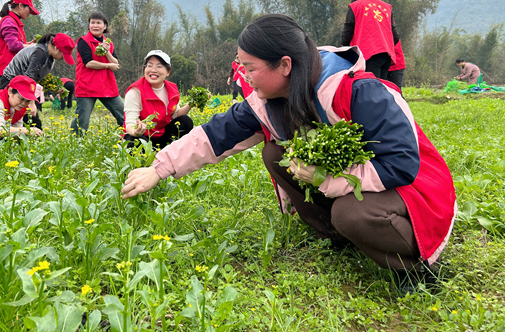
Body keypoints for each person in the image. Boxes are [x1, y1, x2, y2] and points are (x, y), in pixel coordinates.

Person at [122, 14, 456, 292]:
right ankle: (335, 234)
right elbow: (215, 135)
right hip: (354, 183)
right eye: (241, 67)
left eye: (250, 68)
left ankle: (416, 268)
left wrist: (329, 178)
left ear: (284, 65)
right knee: (274, 152)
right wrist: (159, 168)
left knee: (351, 214)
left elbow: (402, 163)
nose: (244, 77)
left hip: (413, 190)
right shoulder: (267, 101)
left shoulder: (360, 91)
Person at [0, 33, 75, 129]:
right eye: (63, 54)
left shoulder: (50, 56)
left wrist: (54, 87)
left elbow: (39, 76)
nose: (63, 58)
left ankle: (32, 134)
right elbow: (29, 77)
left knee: (28, 116)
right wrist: (30, 103)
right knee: (18, 112)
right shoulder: (40, 53)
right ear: (56, 48)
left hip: (23, 84)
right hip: (11, 82)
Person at [123, 50, 193, 148]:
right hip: (142, 136)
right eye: (149, 65)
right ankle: (147, 158)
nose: (153, 70)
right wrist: (136, 131)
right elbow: (130, 124)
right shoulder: (135, 91)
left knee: (185, 121)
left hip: (162, 136)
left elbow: (175, 115)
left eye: (159, 66)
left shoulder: (171, 90)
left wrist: (192, 103)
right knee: (133, 140)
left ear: (168, 72)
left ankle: (172, 154)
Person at [71, 11, 124, 134]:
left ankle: (131, 139)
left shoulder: (108, 43)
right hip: (87, 86)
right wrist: (108, 65)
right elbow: (88, 63)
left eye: (98, 23)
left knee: (123, 115)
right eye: (92, 22)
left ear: (105, 26)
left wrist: (107, 52)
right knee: (82, 121)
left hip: (106, 85)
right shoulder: (83, 41)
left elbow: (115, 64)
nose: (95, 25)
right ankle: (75, 144)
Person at [341, 0, 400, 80]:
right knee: (381, 89)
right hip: (386, 56)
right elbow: (396, 37)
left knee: (371, 90)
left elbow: (346, 35)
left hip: (369, 55)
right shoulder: (386, 7)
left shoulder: (355, 6)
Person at [0, 0, 40, 76]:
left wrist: (26, 45)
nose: (30, 12)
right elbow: (13, 46)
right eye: (29, 9)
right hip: (9, 70)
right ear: (21, 6)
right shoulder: (9, 21)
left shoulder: (13, 21)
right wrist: (32, 46)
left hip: (12, 68)